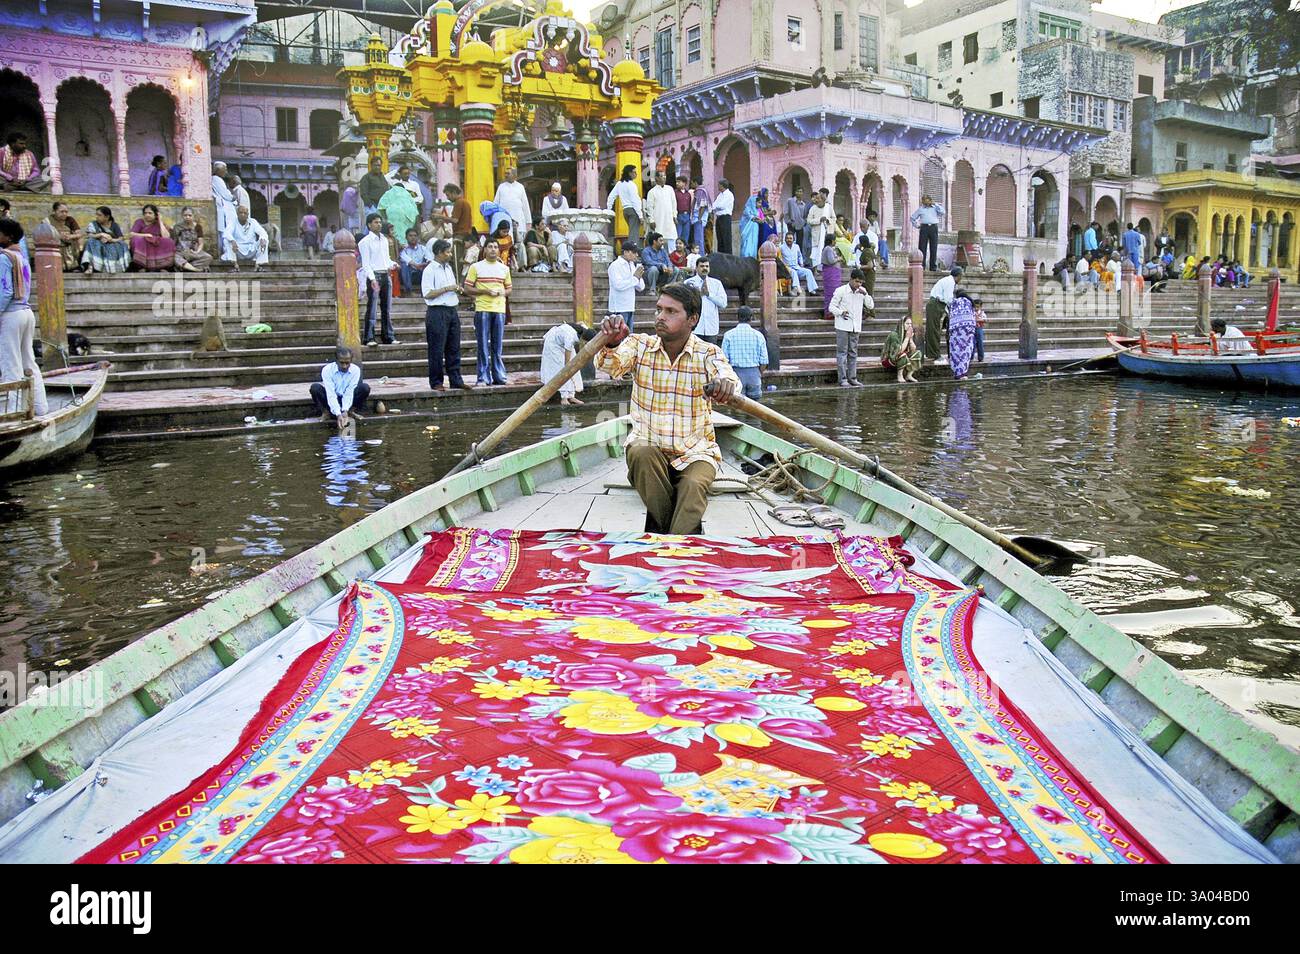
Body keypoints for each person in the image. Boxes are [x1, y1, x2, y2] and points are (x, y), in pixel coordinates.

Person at [596, 285, 740, 534]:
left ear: (692, 319)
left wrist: (725, 385)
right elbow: (611, 365)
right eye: (659, 309)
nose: (660, 316)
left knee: (694, 486)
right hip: (650, 451)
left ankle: (670, 543)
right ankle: (676, 542)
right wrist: (610, 343)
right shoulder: (639, 345)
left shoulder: (708, 353)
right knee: (640, 452)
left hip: (696, 452)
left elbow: (728, 377)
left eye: (671, 311)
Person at [0, 217, 47, 416]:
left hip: (11, 314)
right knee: (29, 362)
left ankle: (12, 413)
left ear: (8, 236)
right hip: (26, 313)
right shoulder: (21, 256)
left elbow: (5, 291)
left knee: (10, 363)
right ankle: (40, 407)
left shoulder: (4, 257)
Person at [421, 239, 469, 391]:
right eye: (447, 252)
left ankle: (456, 379)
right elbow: (427, 294)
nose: (449, 255)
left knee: (454, 347)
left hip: (451, 310)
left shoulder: (448, 268)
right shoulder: (429, 270)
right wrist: (447, 288)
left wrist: (457, 289)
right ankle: (436, 382)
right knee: (436, 349)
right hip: (437, 311)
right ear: (439, 252)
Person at [464, 238, 511, 385]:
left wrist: (502, 292)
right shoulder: (476, 267)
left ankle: (499, 375)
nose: (493, 249)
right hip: (482, 308)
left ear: (498, 250)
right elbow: (467, 288)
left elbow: (509, 288)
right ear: (484, 250)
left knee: (497, 345)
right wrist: (484, 291)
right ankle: (483, 377)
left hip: (499, 309)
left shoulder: (504, 268)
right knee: (483, 345)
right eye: (490, 246)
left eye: (495, 247)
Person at [829, 268, 872, 387]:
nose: (859, 284)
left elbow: (870, 305)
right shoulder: (840, 291)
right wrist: (841, 312)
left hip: (856, 327)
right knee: (842, 352)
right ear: (851, 279)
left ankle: (853, 378)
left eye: (861, 282)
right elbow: (831, 307)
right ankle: (842, 379)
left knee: (853, 353)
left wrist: (866, 294)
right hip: (842, 325)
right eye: (857, 282)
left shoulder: (862, 292)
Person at [359, 213, 397, 346]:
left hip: (385, 275)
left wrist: (392, 264)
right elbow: (366, 264)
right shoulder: (365, 242)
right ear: (369, 225)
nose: (379, 224)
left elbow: (386, 259)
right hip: (374, 276)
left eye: (380, 222)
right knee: (373, 307)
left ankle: (388, 336)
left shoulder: (384, 240)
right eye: (376, 222)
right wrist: (372, 279)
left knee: (386, 308)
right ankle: (369, 337)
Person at [311, 346, 369, 427]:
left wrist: (345, 410)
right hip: (331, 398)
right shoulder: (327, 370)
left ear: (351, 361)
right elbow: (330, 393)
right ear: (336, 361)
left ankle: (350, 412)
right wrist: (338, 414)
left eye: (347, 363)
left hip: (348, 399)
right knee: (315, 388)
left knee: (364, 388)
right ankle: (326, 413)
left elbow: (349, 392)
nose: (344, 366)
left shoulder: (355, 370)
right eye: (341, 363)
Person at [541, 320, 596, 405]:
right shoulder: (570, 336)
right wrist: (567, 366)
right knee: (563, 369)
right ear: (583, 338)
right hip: (553, 343)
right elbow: (567, 360)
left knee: (574, 367)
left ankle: (571, 396)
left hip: (563, 341)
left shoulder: (585, 330)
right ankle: (564, 397)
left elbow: (580, 322)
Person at [721, 305, 768, 399]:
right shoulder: (758, 336)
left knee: (737, 406)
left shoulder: (728, 335)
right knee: (755, 408)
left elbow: (723, 360)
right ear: (751, 318)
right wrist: (758, 373)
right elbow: (764, 361)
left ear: (737, 318)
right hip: (754, 374)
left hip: (735, 375)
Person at [684, 256, 727, 345]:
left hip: (711, 327)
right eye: (702, 266)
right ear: (696, 268)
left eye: (707, 266)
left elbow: (723, 304)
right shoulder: (688, 283)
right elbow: (684, 303)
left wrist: (709, 295)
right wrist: (698, 295)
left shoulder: (716, 283)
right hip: (695, 328)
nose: (705, 268)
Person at [493, 167, 532, 256]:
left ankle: (519, 266)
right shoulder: (501, 187)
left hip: (518, 219)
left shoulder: (520, 187)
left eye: (508, 173)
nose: (505, 175)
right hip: (504, 220)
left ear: (514, 175)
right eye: (505, 173)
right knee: (507, 242)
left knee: (518, 244)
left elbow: (525, 205)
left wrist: (528, 222)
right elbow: (495, 204)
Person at [608, 241, 645, 330]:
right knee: (619, 336)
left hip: (630, 306)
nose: (636, 255)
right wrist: (635, 278)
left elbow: (641, 287)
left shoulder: (632, 265)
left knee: (629, 336)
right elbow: (618, 285)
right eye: (634, 252)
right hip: (619, 307)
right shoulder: (615, 266)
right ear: (625, 252)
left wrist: (638, 278)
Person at [80, 206, 130, 273]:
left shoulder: (114, 225)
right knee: (90, 241)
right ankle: (90, 266)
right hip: (99, 244)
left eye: (99, 215)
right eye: (96, 214)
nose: (97, 217)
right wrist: (101, 235)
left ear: (107, 217)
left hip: (112, 244)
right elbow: (89, 235)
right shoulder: (94, 224)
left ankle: (117, 268)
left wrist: (111, 240)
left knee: (123, 244)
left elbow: (120, 238)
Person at [926, 266, 960, 360]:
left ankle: (932, 354)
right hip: (936, 305)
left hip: (936, 304)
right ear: (958, 276)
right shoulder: (950, 282)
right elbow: (948, 299)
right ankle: (935, 355)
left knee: (933, 329)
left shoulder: (947, 280)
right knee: (934, 330)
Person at [222, 206, 269, 272]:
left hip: (251, 250)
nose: (243, 215)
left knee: (265, 240)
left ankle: (258, 265)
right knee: (226, 240)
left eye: (245, 213)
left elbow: (263, 232)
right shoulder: (233, 222)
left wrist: (262, 239)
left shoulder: (253, 222)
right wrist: (232, 240)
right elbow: (226, 233)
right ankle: (235, 265)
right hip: (238, 250)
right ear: (237, 214)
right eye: (241, 213)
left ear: (248, 215)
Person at [129, 204, 175, 272]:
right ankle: (141, 266)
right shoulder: (139, 222)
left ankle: (162, 266)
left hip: (156, 244)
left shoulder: (158, 223)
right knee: (138, 239)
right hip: (143, 243)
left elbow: (166, 236)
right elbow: (132, 234)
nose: (147, 215)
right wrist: (146, 235)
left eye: (150, 213)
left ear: (155, 214)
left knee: (168, 241)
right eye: (145, 213)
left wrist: (160, 221)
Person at [607, 164, 643, 246]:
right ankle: (631, 251)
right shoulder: (631, 185)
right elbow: (635, 201)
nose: (635, 174)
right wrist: (640, 216)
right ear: (629, 173)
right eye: (634, 172)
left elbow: (611, 197)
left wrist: (609, 209)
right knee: (634, 233)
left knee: (632, 231)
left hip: (625, 211)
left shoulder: (619, 184)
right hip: (633, 210)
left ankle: (630, 250)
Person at [378, 180, 419, 252]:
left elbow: (380, 207)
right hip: (408, 215)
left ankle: (397, 246)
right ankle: (405, 246)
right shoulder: (407, 194)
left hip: (393, 213)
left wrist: (385, 217)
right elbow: (415, 211)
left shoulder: (389, 192)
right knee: (405, 232)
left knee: (395, 232)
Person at [441, 183, 473, 275]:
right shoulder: (465, 202)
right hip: (465, 234)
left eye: (448, 195)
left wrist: (441, 217)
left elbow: (455, 220)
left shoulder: (459, 202)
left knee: (457, 260)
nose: (448, 198)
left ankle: (458, 283)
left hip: (460, 235)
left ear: (454, 192)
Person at [881, 315, 921, 384]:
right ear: (902, 324)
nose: (909, 326)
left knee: (918, 353)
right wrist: (907, 338)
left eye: (911, 324)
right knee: (903, 354)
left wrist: (910, 339)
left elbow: (913, 349)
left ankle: (909, 375)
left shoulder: (907, 334)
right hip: (889, 359)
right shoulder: (894, 335)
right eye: (907, 324)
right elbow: (898, 351)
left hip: (900, 357)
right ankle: (899, 375)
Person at [947, 289, 977, 380]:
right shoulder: (969, 302)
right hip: (968, 330)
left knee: (956, 351)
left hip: (956, 331)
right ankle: (963, 373)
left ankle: (957, 373)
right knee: (966, 351)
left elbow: (950, 315)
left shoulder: (954, 302)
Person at [910, 194, 945, 271]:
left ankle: (933, 267)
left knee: (934, 247)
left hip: (933, 227)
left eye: (926, 199)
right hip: (924, 227)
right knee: (922, 247)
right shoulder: (921, 209)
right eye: (923, 200)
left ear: (930, 200)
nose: (924, 201)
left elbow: (943, 212)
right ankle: (922, 266)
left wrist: (935, 204)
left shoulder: (935, 208)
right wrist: (917, 226)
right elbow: (912, 218)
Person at [46, 202, 84, 272]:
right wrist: (58, 236)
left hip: (69, 244)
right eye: (62, 211)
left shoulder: (70, 220)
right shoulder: (47, 221)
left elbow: (79, 234)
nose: (64, 214)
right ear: (54, 211)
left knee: (78, 240)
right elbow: (44, 235)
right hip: (55, 244)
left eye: (66, 212)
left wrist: (70, 236)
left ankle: (73, 266)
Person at [172, 206, 212, 272]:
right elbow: (174, 241)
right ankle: (196, 269)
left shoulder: (198, 227)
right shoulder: (177, 227)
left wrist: (197, 252)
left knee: (208, 257)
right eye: (185, 215)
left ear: (193, 216)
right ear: (182, 216)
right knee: (175, 258)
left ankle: (186, 267)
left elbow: (201, 243)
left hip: (193, 252)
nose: (187, 217)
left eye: (190, 215)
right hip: (181, 252)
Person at [211, 161, 236, 254]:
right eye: (224, 170)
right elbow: (226, 195)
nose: (226, 172)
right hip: (222, 208)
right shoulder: (216, 179)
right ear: (218, 170)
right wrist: (233, 197)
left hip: (223, 208)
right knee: (224, 231)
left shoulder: (218, 179)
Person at [821, 235, 844, 319]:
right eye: (834, 240)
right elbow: (831, 261)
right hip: (830, 274)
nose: (835, 242)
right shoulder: (828, 249)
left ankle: (832, 311)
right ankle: (828, 312)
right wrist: (839, 258)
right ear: (831, 241)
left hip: (834, 274)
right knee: (830, 293)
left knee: (835, 293)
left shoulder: (830, 249)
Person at [806, 191, 832, 263]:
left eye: (818, 198)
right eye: (816, 198)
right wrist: (819, 220)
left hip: (826, 234)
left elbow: (833, 218)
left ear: (823, 199)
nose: (816, 200)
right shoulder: (813, 208)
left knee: (825, 250)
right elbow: (809, 221)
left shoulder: (828, 207)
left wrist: (827, 220)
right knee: (815, 252)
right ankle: (816, 269)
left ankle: (823, 268)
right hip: (816, 234)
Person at [783, 187, 808, 258]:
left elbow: (805, 215)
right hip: (791, 224)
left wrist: (804, 222)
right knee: (789, 240)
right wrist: (789, 222)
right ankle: (788, 256)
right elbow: (785, 212)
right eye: (798, 191)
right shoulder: (790, 201)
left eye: (801, 191)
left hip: (800, 225)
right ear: (795, 192)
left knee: (800, 242)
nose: (799, 193)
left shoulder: (804, 204)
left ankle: (798, 257)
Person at [711, 178, 734, 254]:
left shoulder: (729, 195)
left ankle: (728, 256)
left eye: (719, 185)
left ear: (722, 185)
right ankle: (721, 255)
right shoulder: (720, 195)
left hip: (725, 218)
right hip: (719, 218)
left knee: (726, 238)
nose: (718, 186)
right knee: (719, 238)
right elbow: (714, 205)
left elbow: (722, 206)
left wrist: (715, 208)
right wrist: (715, 208)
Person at [739, 191, 761, 258]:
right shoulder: (747, 209)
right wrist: (758, 219)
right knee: (747, 244)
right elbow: (752, 218)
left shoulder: (757, 210)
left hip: (754, 229)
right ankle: (746, 257)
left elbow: (759, 219)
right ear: (754, 202)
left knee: (753, 243)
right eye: (759, 202)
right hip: (747, 230)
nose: (760, 204)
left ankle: (752, 257)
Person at [691, 178, 711, 250]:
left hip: (699, 219)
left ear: (695, 183)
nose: (691, 185)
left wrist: (699, 218)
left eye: (692, 183)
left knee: (698, 239)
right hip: (699, 218)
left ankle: (700, 255)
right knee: (699, 238)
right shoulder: (702, 190)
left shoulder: (700, 191)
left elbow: (702, 206)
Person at [674, 175, 693, 244]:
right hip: (678, 215)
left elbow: (690, 206)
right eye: (676, 182)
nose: (677, 183)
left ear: (684, 183)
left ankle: (684, 251)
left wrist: (690, 216)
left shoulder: (688, 194)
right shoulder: (674, 193)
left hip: (687, 216)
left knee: (686, 236)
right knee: (678, 235)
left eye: (679, 182)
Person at [971, 295, 987, 363]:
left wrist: (977, 320)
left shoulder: (982, 313)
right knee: (972, 344)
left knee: (980, 343)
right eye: (975, 307)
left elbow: (985, 320)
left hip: (979, 329)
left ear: (980, 307)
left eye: (978, 307)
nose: (976, 308)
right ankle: (971, 357)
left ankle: (981, 357)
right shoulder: (971, 312)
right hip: (972, 329)